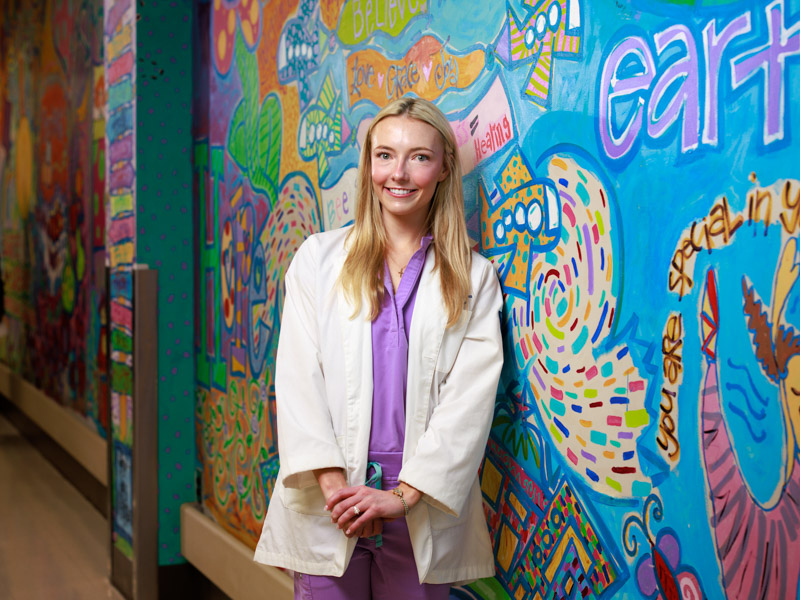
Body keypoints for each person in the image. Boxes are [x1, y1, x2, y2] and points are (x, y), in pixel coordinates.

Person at [254, 96, 504, 599]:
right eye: (385, 155)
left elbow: (468, 405)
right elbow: (299, 381)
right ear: (368, 164)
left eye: (419, 157)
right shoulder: (317, 262)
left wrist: (402, 498)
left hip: (420, 505)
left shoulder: (474, 279)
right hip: (332, 499)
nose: (400, 173)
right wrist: (336, 494)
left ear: (443, 168)